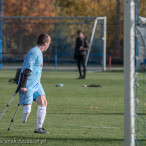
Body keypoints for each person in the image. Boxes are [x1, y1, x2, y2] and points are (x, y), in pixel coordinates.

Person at [18, 33, 51, 134]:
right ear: (45, 43)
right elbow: (27, 69)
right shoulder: (34, 52)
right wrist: (23, 86)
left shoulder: (39, 53)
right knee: (27, 109)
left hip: (37, 84)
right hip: (28, 83)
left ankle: (38, 128)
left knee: (44, 102)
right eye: (49, 43)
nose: (49, 45)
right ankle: (25, 116)